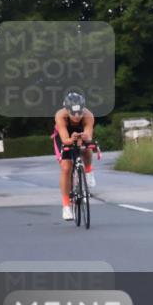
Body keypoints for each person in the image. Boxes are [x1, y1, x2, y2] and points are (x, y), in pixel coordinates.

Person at [52, 91, 96, 220]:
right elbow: (65, 139)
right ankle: (66, 206)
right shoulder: (60, 116)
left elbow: (89, 135)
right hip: (63, 136)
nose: (77, 116)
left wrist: (85, 138)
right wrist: (71, 140)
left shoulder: (88, 115)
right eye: (73, 113)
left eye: (79, 112)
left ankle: (88, 172)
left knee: (87, 148)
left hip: (81, 134)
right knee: (66, 167)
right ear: (67, 110)